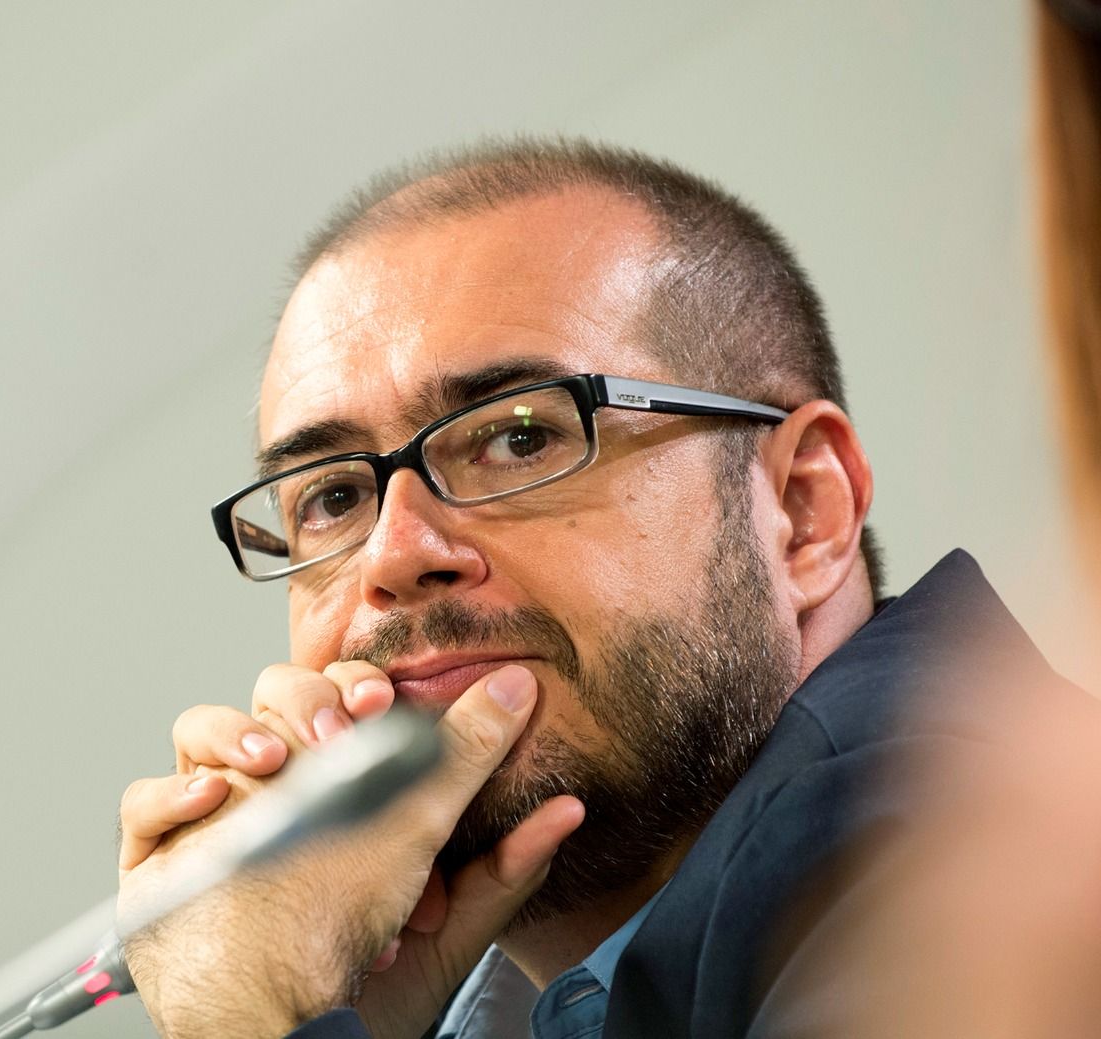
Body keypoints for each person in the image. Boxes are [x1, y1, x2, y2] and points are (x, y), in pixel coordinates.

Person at [113, 138, 1080, 1038]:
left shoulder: (990, 870)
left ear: (801, 511)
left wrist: (256, 1015)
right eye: (332, 497)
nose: (392, 554)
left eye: (519, 437)